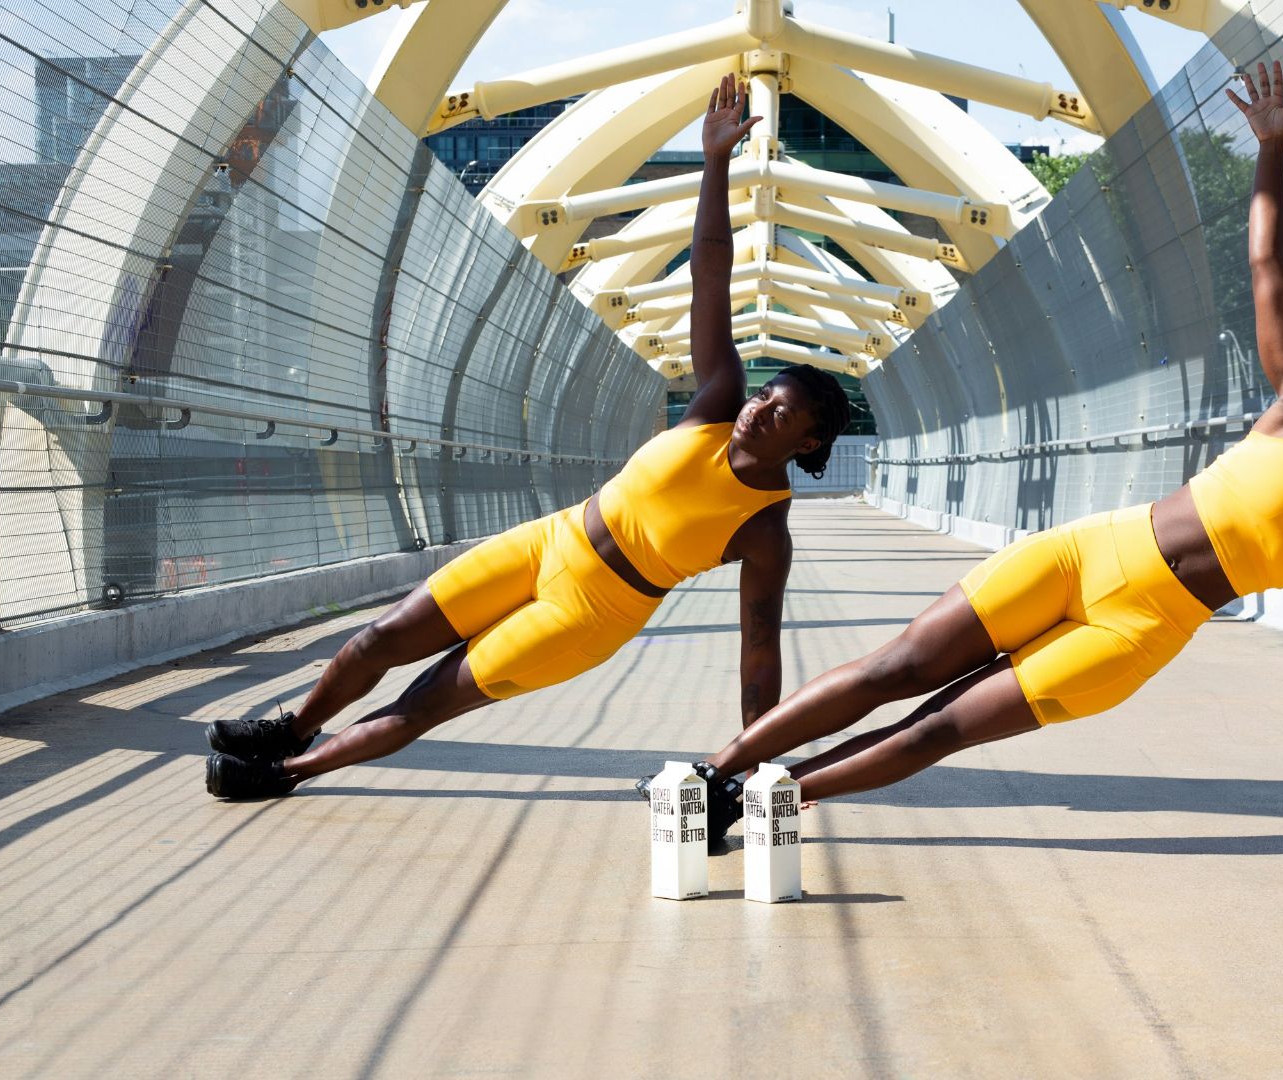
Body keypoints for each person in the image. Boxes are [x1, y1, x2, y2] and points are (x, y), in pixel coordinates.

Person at [673, 63, 1283, 862]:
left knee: (936, 730)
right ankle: (713, 772)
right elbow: (1269, 265)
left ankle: (754, 808)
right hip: (1084, 554)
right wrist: (1270, 149)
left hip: (1136, 633)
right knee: (894, 670)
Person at [206, 74, 849, 804]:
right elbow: (709, 273)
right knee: (379, 638)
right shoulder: (714, 402)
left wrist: (748, 764)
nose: (759, 407)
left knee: (424, 700)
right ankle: (292, 730)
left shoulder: (766, 528)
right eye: (766, 393)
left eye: (780, 411)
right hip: (551, 539)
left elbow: (758, 654)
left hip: (587, 614)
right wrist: (714, 164)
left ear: (808, 441)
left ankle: (284, 774)